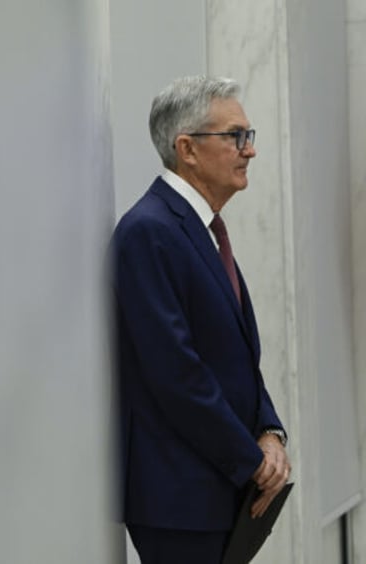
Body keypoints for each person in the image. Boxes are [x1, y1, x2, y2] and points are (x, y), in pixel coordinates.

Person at [111, 76, 291, 563]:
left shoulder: (200, 226)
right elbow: (176, 373)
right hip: (179, 497)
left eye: (248, 136)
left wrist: (270, 432)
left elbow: (233, 354)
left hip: (217, 488)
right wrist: (252, 461)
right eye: (235, 136)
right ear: (187, 148)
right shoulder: (147, 231)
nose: (248, 150)